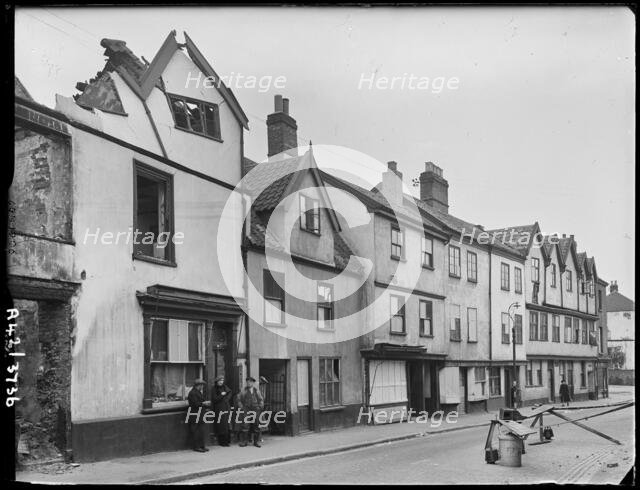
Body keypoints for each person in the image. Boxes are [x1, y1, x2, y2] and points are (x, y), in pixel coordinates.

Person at [237, 376, 264, 448]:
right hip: (246, 409)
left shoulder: (256, 390)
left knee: (256, 425)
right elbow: (239, 399)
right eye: (248, 382)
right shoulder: (243, 390)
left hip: (255, 409)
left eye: (250, 382)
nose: (249, 383)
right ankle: (245, 442)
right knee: (245, 425)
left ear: (253, 383)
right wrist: (241, 407)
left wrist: (260, 407)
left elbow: (261, 399)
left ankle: (256, 442)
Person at [187, 378, 209, 452]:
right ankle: (196, 447)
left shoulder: (198, 392)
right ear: (198, 385)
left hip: (200, 414)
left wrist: (204, 403)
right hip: (195, 415)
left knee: (201, 431)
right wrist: (204, 403)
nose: (202, 386)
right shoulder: (192, 393)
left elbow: (200, 402)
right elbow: (195, 404)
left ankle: (202, 446)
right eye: (201, 385)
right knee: (195, 431)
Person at [211, 375, 232, 447]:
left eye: (222, 381)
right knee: (221, 425)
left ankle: (227, 441)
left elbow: (229, 393)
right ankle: (222, 442)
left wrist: (226, 399)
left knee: (227, 425)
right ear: (216, 382)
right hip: (219, 409)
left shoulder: (225, 387)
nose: (221, 382)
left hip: (226, 407)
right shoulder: (214, 389)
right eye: (219, 381)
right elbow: (214, 399)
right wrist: (221, 395)